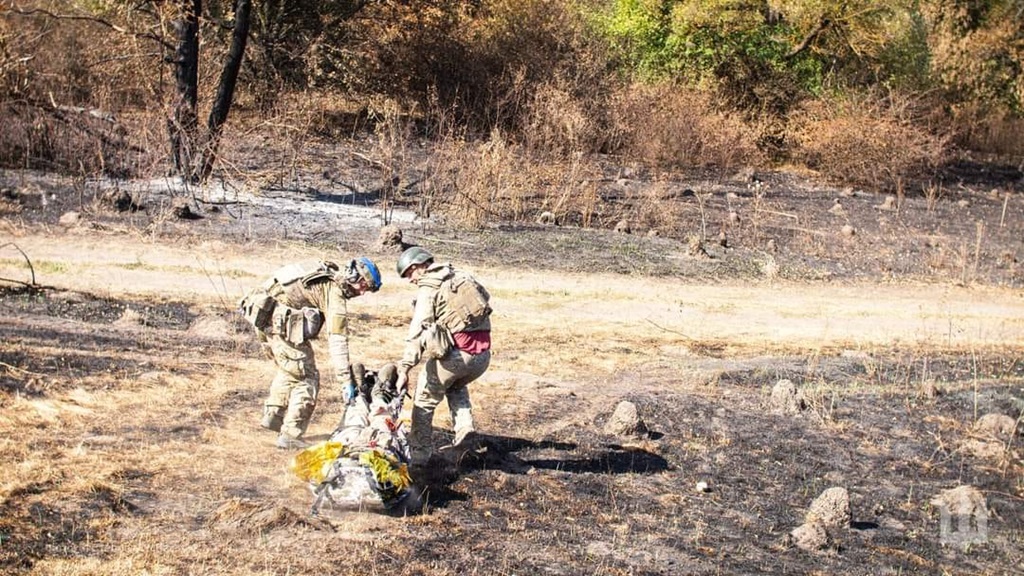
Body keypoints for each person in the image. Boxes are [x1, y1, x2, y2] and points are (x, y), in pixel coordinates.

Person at [238, 257, 382, 449]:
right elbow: (337, 339)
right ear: (354, 277)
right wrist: (346, 381)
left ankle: (274, 415)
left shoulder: (322, 273)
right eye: (364, 286)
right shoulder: (334, 292)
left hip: (263, 314)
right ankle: (291, 434)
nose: (363, 292)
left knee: (290, 369)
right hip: (278, 321)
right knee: (307, 377)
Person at [393, 246, 492, 468]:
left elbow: (417, 333)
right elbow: (485, 300)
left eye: (409, 274)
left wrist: (404, 369)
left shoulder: (429, 287)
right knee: (455, 386)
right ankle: (466, 435)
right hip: (483, 357)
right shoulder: (462, 275)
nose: (410, 280)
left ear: (419, 266)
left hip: (458, 356)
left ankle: (419, 458)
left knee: (423, 399)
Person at [290, 363, 412, 513]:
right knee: (380, 422)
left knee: (354, 423)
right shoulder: (387, 486)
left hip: (348, 448)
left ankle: (360, 395)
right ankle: (379, 397)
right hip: (380, 447)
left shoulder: (332, 477)